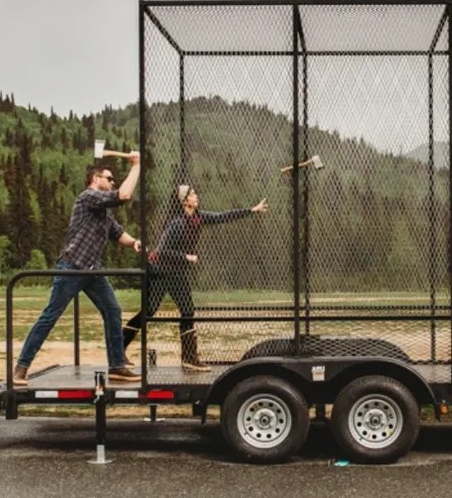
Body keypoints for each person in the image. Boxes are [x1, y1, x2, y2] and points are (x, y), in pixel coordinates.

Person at [13, 153, 144, 385]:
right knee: (50, 316)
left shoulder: (104, 210)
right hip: (72, 268)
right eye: (109, 178)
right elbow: (123, 195)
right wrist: (136, 166)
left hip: (92, 271)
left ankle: (116, 366)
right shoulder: (88, 197)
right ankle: (21, 369)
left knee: (113, 310)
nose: (112, 182)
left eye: (113, 179)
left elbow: (118, 234)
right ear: (95, 179)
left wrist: (134, 242)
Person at [123, 184, 268, 371]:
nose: (196, 196)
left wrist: (252, 210)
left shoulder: (199, 217)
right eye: (192, 194)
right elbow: (162, 251)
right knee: (149, 311)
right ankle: (119, 350)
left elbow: (223, 216)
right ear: (184, 201)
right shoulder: (177, 224)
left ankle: (189, 358)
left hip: (176, 273)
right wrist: (186, 257)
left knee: (188, 310)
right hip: (159, 271)